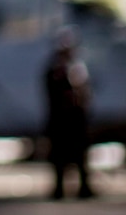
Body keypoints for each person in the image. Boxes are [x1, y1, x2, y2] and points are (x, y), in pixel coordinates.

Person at [44, 29, 94, 200]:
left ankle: (84, 187)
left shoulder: (78, 67)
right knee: (59, 158)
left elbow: (84, 93)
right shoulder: (55, 69)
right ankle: (59, 189)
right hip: (61, 121)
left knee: (80, 157)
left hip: (76, 120)